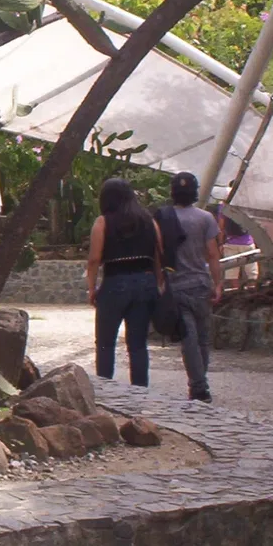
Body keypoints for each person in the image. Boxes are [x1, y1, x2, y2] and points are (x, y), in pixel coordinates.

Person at [85, 177, 163, 387]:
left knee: (105, 342)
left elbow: (94, 259)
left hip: (115, 283)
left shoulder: (103, 222)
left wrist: (92, 288)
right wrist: (159, 284)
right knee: (138, 344)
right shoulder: (149, 221)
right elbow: (158, 256)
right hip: (145, 283)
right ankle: (139, 389)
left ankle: (105, 388)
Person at [157, 172, 223, 402]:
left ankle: (198, 385)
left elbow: (158, 253)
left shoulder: (163, 217)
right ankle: (199, 383)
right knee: (203, 338)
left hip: (176, 286)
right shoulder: (206, 218)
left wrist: (160, 283)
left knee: (188, 338)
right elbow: (213, 255)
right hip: (201, 284)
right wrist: (218, 283)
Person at [218, 202, 257, 289]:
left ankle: (236, 293)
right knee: (252, 274)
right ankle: (253, 292)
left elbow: (221, 227)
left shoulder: (223, 205)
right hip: (248, 242)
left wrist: (220, 243)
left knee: (232, 274)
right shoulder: (248, 201)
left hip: (230, 243)